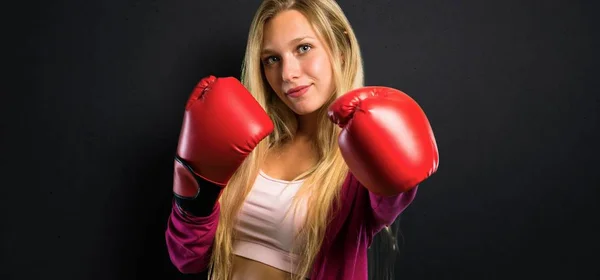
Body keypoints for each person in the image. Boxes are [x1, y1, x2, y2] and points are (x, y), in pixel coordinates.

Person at [165, 0, 439, 279]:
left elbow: (393, 195)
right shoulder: (244, 145)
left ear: (340, 49)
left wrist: (393, 158)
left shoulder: (360, 159)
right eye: (272, 59)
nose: (288, 74)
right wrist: (195, 192)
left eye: (303, 48)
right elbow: (187, 257)